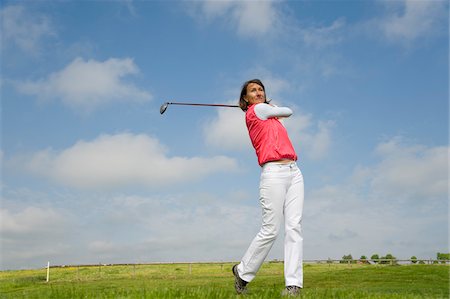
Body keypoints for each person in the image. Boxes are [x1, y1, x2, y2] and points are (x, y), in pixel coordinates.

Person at [232, 79, 304, 296]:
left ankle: (293, 284)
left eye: (261, 89)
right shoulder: (257, 111)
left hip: (294, 171)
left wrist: (274, 110)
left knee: (294, 227)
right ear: (245, 99)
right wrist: (273, 108)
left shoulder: (268, 115)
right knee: (271, 229)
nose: (258, 92)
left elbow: (281, 115)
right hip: (273, 173)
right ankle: (243, 272)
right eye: (253, 90)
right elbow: (288, 111)